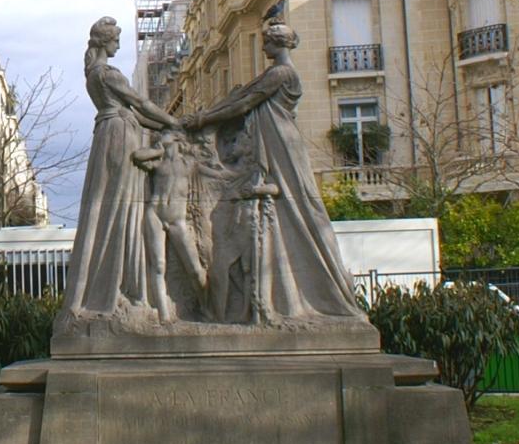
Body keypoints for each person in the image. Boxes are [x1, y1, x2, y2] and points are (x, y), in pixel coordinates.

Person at [182, 22, 369, 321]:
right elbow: (241, 97)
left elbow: (245, 102)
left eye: (267, 41)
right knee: (298, 209)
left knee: (305, 207)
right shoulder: (277, 73)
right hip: (278, 141)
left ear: (279, 43)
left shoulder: (280, 73)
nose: (263, 46)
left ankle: (330, 291)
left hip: (282, 144)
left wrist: (203, 118)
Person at [55, 16, 183, 329]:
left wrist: (167, 123)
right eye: (116, 40)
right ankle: (116, 289)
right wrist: (173, 122)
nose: (119, 45)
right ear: (105, 41)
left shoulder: (92, 74)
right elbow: (139, 102)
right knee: (122, 208)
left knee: (111, 207)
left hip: (110, 132)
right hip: (119, 137)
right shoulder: (107, 73)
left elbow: (137, 113)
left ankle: (118, 286)